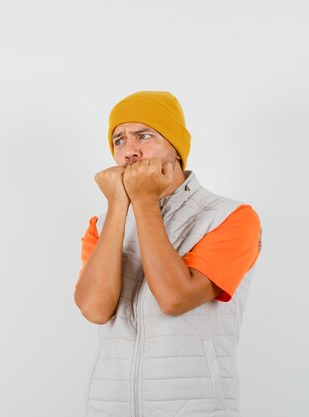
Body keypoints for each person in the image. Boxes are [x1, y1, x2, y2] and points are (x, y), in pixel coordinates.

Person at [74, 91, 262, 417]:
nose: (130, 151)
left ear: (175, 148)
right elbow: (94, 309)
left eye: (144, 136)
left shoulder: (231, 217)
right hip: (109, 407)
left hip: (196, 408)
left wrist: (144, 201)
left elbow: (175, 298)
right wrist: (119, 204)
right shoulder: (102, 225)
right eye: (119, 140)